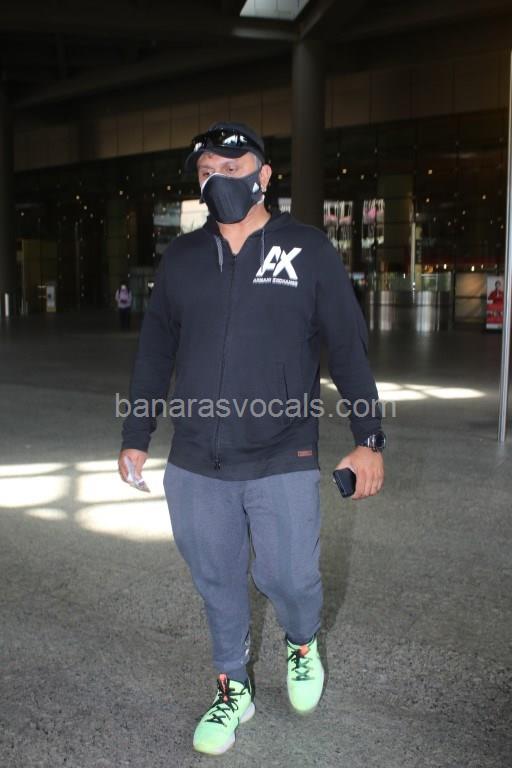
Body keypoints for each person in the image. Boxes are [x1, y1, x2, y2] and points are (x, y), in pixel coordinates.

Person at [118, 122, 385, 756]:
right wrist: (136, 433)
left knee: (289, 577)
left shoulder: (308, 250)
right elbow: (155, 351)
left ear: (264, 175)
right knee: (217, 582)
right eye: (207, 171)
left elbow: (348, 347)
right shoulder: (182, 258)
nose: (219, 180)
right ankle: (233, 688)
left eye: (233, 169)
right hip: (196, 459)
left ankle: (301, 642)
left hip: (281, 451)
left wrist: (369, 437)